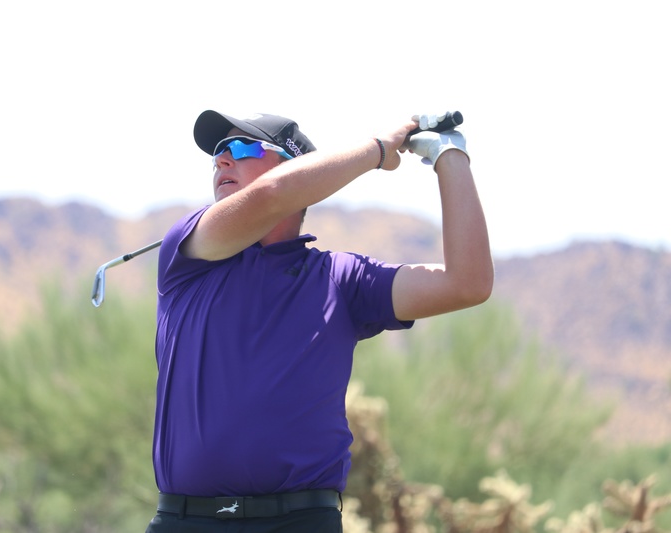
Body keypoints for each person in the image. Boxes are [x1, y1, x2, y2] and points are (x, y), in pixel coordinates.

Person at [146, 110, 494, 532]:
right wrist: (377, 150)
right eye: (219, 151)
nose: (222, 159)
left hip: (302, 522)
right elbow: (271, 194)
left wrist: (449, 154)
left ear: (296, 166)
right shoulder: (188, 251)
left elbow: (468, 283)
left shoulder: (342, 280)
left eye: (242, 147)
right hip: (185, 521)